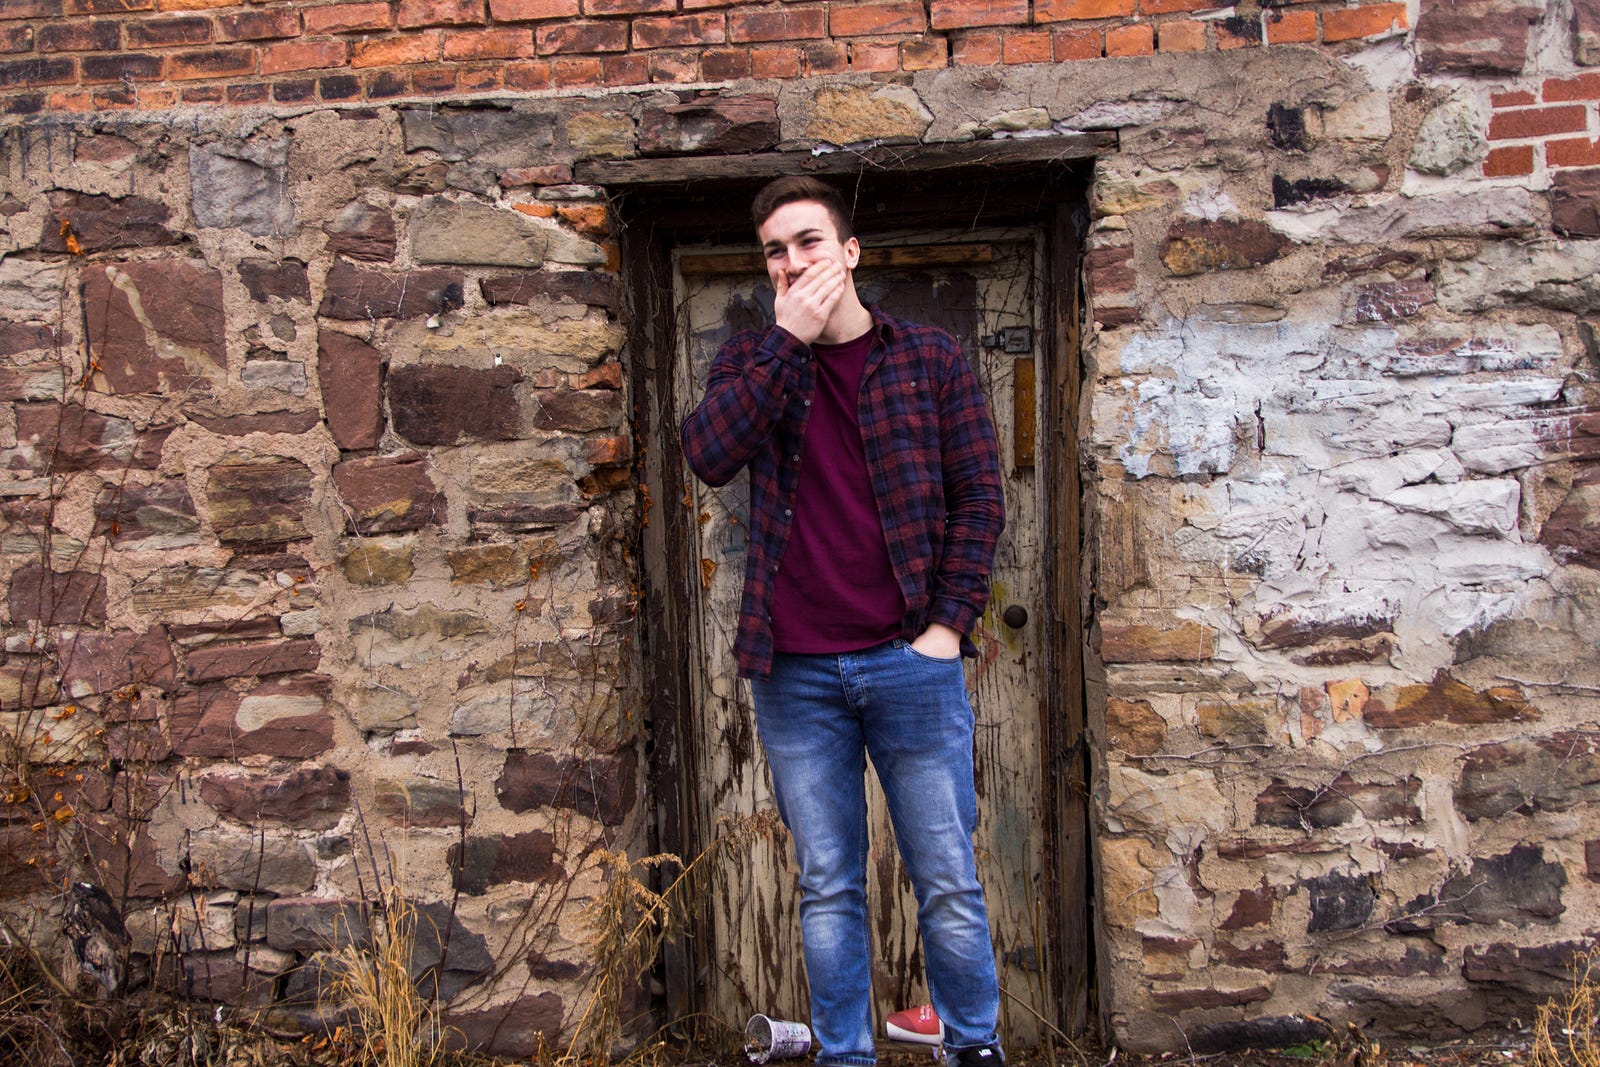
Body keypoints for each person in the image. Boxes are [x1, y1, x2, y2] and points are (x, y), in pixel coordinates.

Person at [680, 175, 1007, 1067]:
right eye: (774, 252)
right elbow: (709, 453)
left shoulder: (930, 358)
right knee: (827, 884)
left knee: (947, 878)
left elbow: (981, 498)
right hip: (795, 673)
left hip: (911, 662)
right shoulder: (751, 362)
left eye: (809, 241)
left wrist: (946, 631)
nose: (791, 263)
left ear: (851, 251)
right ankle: (844, 1056)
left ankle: (974, 1047)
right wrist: (786, 339)